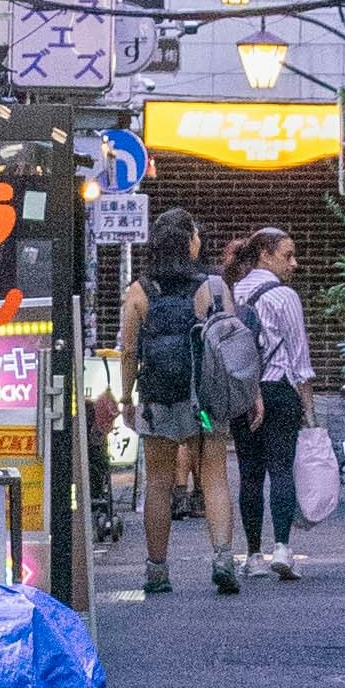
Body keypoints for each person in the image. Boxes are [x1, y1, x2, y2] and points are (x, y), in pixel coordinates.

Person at [115, 215, 239, 595]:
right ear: (190, 243)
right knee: (214, 476)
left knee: (159, 483)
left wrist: (126, 398)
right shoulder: (213, 287)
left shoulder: (137, 291)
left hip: (159, 396)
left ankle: (157, 570)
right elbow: (232, 348)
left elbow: (129, 351)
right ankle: (222, 558)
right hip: (206, 398)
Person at [225, 228, 318, 581]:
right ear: (265, 253)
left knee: (249, 474)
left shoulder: (234, 291)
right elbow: (300, 360)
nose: (294, 263)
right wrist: (309, 410)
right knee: (281, 468)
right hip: (279, 391)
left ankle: (251, 555)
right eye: (287, 255)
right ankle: (281, 547)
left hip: (243, 392)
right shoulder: (284, 296)